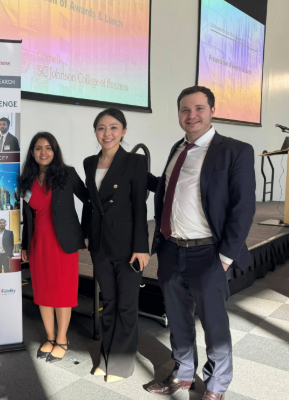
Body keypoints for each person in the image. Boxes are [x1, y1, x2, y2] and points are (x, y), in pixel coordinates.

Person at [145, 86, 255, 400]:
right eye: (184, 110)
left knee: (214, 325)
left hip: (209, 253)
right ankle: (182, 374)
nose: (191, 115)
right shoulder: (177, 149)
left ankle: (217, 385)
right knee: (178, 320)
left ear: (212, 110)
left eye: (199, 109)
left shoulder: (235, 150)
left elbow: (243, 207)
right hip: (171, 250)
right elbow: (171, 190)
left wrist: (224, 257)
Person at [82, 108, 149, 382]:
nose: (106, 133)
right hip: (99, 244)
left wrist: (142, 247)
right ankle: (106, 357)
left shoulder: (135, 162)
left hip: (127, 245)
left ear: (123, 131)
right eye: (101, 128)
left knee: (126, 305)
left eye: (113, 127)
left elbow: (139, 207)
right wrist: (85, 236)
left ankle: (121, 364)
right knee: (108, 302)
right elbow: (90, 203)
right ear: (95, 132)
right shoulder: (89, 162)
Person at [20, 132, 88, 363]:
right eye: (38, 148)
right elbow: (27, 217)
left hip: (63, 244)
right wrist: (24, 244)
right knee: (43, 292)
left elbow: (88, 200)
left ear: (55, 151)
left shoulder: (67, 174)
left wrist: (85, 233)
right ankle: (49, 337)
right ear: (32, 153)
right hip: (39, 244)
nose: (43, 152)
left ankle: (62, 339)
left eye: (48, 148)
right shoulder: (28, 180)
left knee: (62, 292)